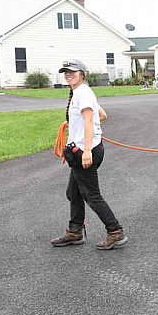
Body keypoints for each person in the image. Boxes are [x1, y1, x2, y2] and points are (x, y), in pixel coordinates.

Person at [51, 59, 128, 250]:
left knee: (92, 195)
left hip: (85, 151)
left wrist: (86, 150)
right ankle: (75, 231)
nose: (69, 75)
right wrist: (79, 126)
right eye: (66, 72)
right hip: (85, 148)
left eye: (73, 72)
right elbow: (101, 115)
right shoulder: (81, 92)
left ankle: (115, 232)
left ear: (82, 74)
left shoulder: (82, 93)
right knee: (73, 193)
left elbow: (88, 120)